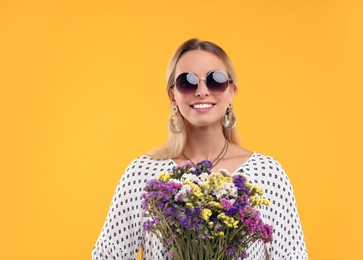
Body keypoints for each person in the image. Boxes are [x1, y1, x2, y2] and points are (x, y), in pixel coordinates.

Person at [92, 39, 308, 260]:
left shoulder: (267, 174)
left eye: (216, 80)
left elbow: (292, 255)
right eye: (188, 82)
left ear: (232, 91)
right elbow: (108, 254)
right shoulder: (143, 174)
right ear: (172, 95)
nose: (202, 91)